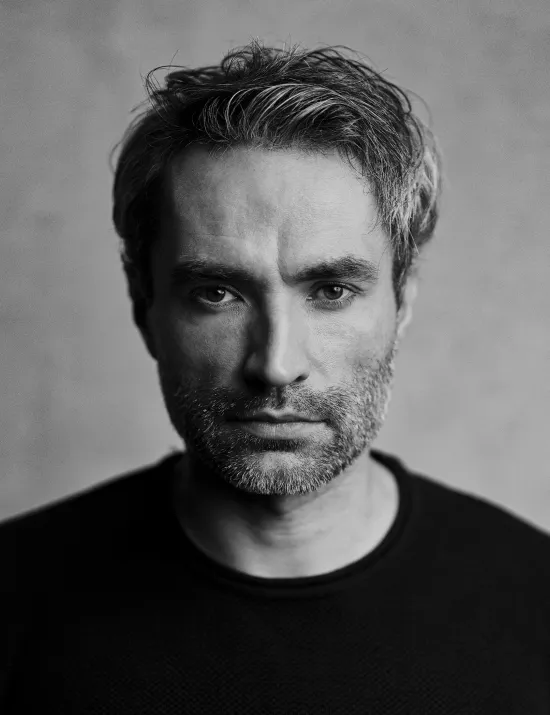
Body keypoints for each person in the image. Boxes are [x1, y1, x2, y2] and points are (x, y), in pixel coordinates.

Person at [1, 38, 549, 714]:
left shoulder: (535, 604)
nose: (275, 364)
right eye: (216, 293)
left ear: (402, 301)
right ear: (143, 303)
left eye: (332, 291)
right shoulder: (15, 596)